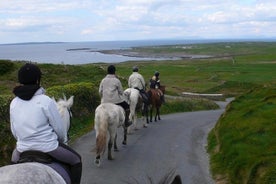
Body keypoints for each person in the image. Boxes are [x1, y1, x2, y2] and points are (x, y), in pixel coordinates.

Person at [10, 63, 82, 184]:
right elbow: (59, 129)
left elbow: (14, 130)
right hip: (48, 147)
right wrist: (61, 141)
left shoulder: (14, 102)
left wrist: (24, 140)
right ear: (38, 79)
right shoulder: (46, 101)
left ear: (20, 80)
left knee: (12, 167)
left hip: (22, 148)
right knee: (76, 160)